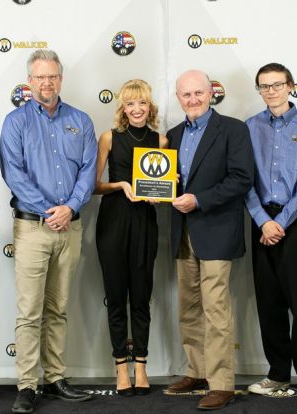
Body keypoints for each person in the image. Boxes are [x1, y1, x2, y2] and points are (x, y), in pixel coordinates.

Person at [0, 49, 97, 414]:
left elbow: (88, 170)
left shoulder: (81, 120)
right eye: (40, 77)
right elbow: (13, 172)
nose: (47, 83)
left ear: (61, 79)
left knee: (58, 309)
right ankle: (27, 385)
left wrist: (69, 207)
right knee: (29, 312)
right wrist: (48, 210)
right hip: (32, 228)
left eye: (52, 76)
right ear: (29, 82)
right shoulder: (15, 122)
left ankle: (55, 378)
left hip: (70, 227)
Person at [164, 70, 254, 411]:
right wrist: (165, 187)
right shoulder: (173, 135)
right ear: (178, 97)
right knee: (188, 306)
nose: (193, 100)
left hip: (216, 229)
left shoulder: (233, 129)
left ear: (211, 92)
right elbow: (168, 181)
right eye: (186, 95)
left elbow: (241, 178)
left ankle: (221, 383)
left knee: (215, 308)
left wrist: (199, 200)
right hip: (182, 231)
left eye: (198, 93)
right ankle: (197, 371)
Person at [244, 63, 297, 398]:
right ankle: (278, 374)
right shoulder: (250, 126)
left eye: (277, 85)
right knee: (269, 301)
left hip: (293, 220)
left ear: (290, 86)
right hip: (261, 221)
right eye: (264, 86)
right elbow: (245, 178)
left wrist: (280, 222)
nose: (271, 91)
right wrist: (262, 219)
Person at [94, 79, 168, 397]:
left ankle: (141, 366)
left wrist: (160, 195)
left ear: (150, 107)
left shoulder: (160, 141)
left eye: (142, 103)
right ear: (123, 108)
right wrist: (121, 185)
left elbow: (164, 187)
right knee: (115, 297)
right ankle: (121, 368)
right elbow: (94, 185)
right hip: (113, 221)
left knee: (141, 298)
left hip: (144, 223)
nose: (136, 109)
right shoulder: (109, 138)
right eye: (130, 103)